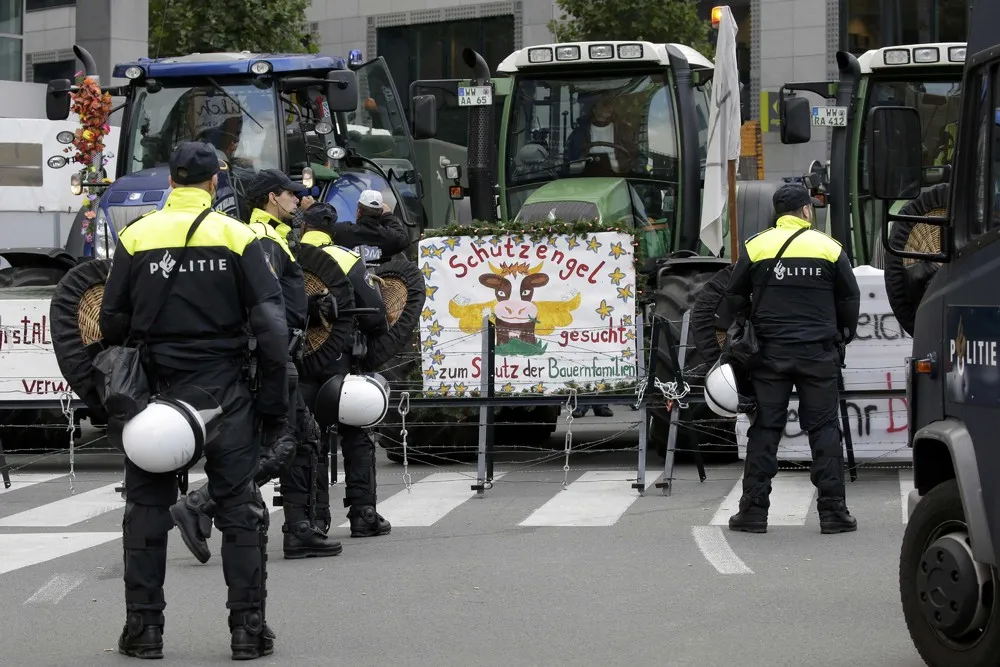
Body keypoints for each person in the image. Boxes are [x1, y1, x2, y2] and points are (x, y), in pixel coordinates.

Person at [100, 142, 288, 659]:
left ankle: (144, 631)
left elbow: (110, 321)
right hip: (224, 388)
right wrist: (275, 406)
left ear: (171, 183)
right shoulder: (236, 234)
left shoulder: (135, 236)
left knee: (144, 506)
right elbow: (271, 328)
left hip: (154, 392)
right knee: (239, 507)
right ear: (213, 184)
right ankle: (247, 631)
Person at [169, 167, 344, 562]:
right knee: (286, 441)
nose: (297, 200)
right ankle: (203, 504)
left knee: (301, 438)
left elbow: (276, 298)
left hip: (278, 353)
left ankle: (297, 528)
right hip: (274, 357)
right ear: (271, 198)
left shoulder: (275, 237)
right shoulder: (264, 238)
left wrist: (311, 308)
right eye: (289, 194)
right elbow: (262, 303)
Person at [723, 183, 861, 536]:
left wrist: (748, 325)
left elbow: (733, 295)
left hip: (769, 356)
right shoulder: (829, 248)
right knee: (825, 429)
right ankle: (833, 514)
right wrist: (842, 334)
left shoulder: (756, 246)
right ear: (804, 211)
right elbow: (849, 298)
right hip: (818, 355)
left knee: (766, 429)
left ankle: (753, 512)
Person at [299, 211, 393, 537]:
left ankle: (313, 518)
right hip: (339, 362)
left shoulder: (285, 254)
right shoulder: (346, 258)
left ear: (303, 228)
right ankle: (364, 513)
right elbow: (376, 316)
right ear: (332, 232)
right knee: (357, 429)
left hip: (297, 362)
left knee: (308, 440)